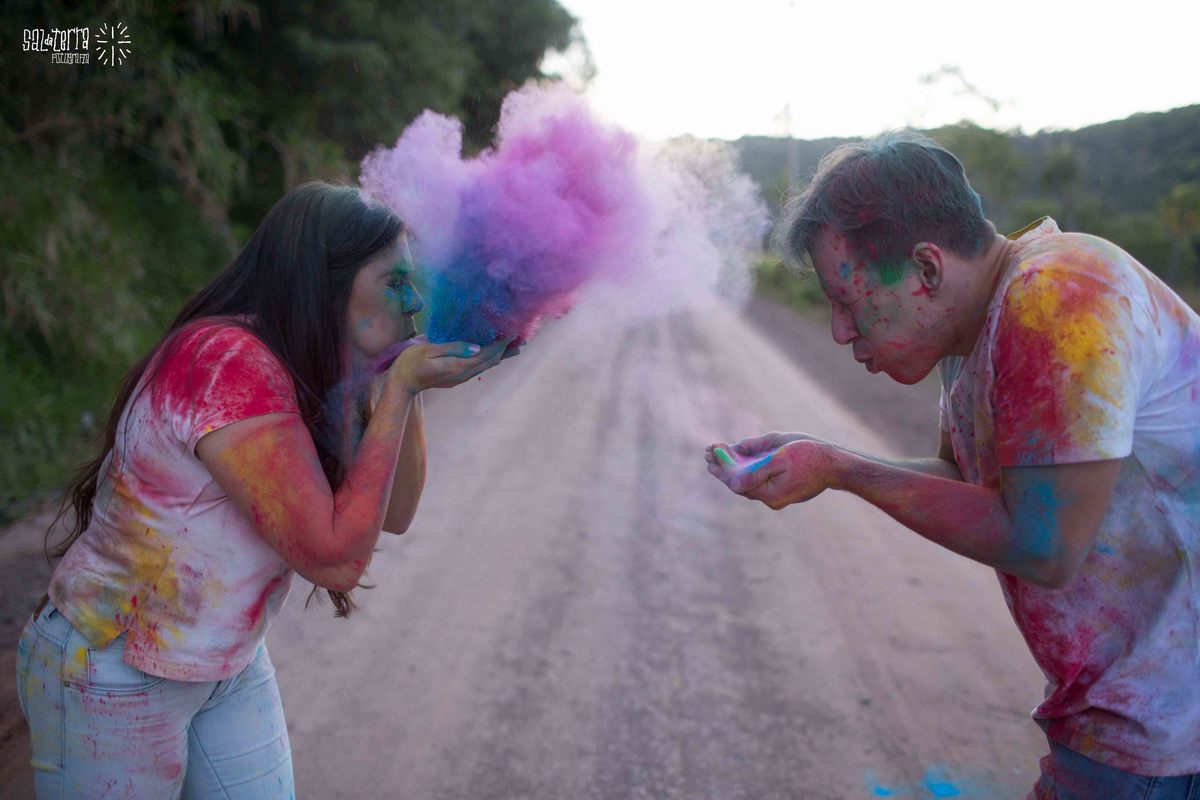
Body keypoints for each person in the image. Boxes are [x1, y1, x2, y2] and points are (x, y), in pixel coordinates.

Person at [707, 133, 1200, 798]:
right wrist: (822, 457)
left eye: (848, 300)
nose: (840, 331)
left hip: (1168, 731)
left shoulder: (1054, 298)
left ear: (927, 271)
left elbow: (1043, 543)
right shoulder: (972, 330)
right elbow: (973, 488)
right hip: (1127, 719)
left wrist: (842, 468)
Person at [16, 181, 516, 798]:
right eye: (394, 281)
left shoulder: (316, 359)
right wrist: (402, 388)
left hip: (224, 661)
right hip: (112, 665)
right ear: (325, 281)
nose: (413, 301)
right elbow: (335, 560)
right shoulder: (228, 361)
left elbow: (397, 514)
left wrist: (398, 382)